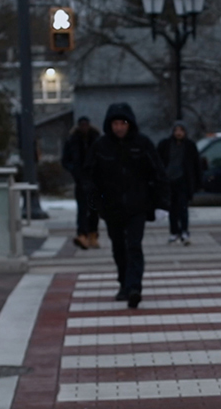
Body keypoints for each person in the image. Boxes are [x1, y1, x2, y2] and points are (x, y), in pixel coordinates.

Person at [84, 103, 168, 309]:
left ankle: (134, 288)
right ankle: (123, 282)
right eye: (115, 123)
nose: (119, 127)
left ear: (130, 124)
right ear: (109, 125)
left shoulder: (142, 144)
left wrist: (161, 204)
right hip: (111, 207)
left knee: (134, 246)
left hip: (137, 205)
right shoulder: (100, 146)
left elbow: (158, 174)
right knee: (119, 247)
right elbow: (89, 178)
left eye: (123, 123)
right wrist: (94, 207)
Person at [156, 121, 201, 245]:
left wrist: (197, 183)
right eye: (176, 130)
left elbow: (196, 165)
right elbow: (158, 162)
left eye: (181, 130)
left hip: (184, 181)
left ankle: (185, 231)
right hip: (169, 181)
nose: (178, 133)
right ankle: (174, 232)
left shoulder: (190, 146)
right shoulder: (165, 145)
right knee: (172, 209)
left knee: (183, 208)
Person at [62, 116, 102, 249]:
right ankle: (83, 234)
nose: (84, 127)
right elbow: (65, 160)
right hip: (80, 179)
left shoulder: (96, 139)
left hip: (95, 178)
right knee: (82, 208)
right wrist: (74, 170)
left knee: (94, 208)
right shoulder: (72, 140)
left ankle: (92, 234)